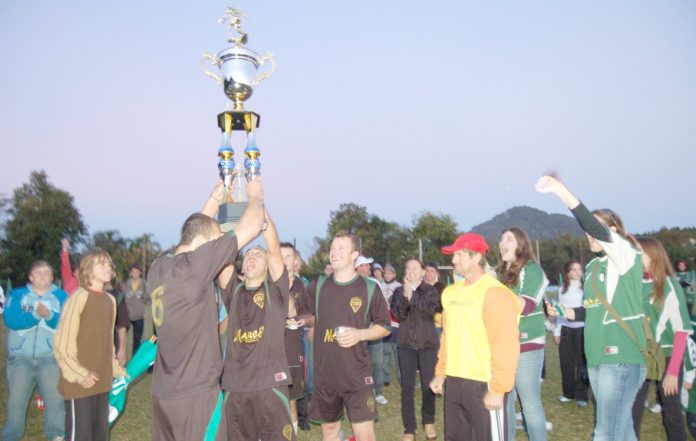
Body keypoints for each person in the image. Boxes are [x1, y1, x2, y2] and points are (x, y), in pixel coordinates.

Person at [146, 179, 265, 441]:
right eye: (215, 241)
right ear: (203, 245)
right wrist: (255, 195)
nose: (218, 245)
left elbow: (192, 233)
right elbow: (253, 225)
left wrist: (214, 200)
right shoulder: (195, 267)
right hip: (196, 394)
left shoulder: (159, 266)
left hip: (164, 392)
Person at [537, 174, 648, 441]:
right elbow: (592, 309)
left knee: (605, 431)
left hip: (620, 356)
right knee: (621, 429)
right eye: (589, 229)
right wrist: (563, 312)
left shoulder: (624, 255)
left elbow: (592, 225)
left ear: (614, 231)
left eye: (596, 227)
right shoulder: (593, 265)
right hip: (597, 356)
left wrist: (560, 190)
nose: (590, 233)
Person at [429, 233, 521, 441]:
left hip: (485, 383)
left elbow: (505, 345)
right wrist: (441, 373)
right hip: (454, 381)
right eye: (453, 255)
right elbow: (447, 337)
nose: (453, 260)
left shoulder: (495, 293)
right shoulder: (450, 293)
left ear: (477, 257)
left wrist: (498, 389)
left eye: (460, 255)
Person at [217, 210, 296, 441]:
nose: (251, 256)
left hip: (269, 385)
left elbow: (273, 247)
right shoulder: (233, 292)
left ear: (268, 266)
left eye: (258, 254)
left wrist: (259, 204)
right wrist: (226, 209)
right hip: (235, 387)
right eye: (248, 254)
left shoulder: (276, 291)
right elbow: (222, 255)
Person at [306, 231, 391, 441]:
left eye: (341, 248)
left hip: (357, 374)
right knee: (330, 432)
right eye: (332, 248)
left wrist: (360, 334)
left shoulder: (369, 287)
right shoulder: (318, 285)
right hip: (325, 375)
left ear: (354, 255)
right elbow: (300, 314)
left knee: (364, 435)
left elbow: (385, 326)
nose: (334, 252)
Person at [54, 251, 127, 441]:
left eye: (109, 264)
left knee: (100, 434)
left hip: (101, 381)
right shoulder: (79, 297)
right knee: (81, 435)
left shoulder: (111, 300)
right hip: (80, 382)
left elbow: (108, 342)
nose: (107, 267)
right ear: (87, 269)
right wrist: (79, 374)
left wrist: (116, 370)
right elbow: (63, 343)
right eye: (101, 264)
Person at [631, 237, 691, 440]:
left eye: (640, 252)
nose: (636, 256)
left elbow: (681, 331)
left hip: (667, 357)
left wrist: (673, 372)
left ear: (653, 255)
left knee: (672, 413)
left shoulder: (670, 285)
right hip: (639, 356)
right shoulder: (634, 283)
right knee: (632, 411)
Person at [2, 260, 68, 441]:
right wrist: (35, 315)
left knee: (55, 399)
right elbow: (10, 319)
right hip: (19, 358)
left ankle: (56, 434)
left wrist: (50, 316)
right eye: (38, 273)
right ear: (31, 277)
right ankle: (11, 435)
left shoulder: (61, 296)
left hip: (50, 357)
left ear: (52, 277)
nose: (43, 276)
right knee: (16, 401)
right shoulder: (18, 294)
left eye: (47, 273)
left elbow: (67, 323)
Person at [497, 227, 549, 441]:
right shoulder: (499, 272)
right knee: (505, 402)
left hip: (527, 344)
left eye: (509, 239)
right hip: (502, 346)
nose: (503, 243)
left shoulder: (532, 269)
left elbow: (525, 306)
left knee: (529, 404)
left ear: (521, 244)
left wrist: (494, 288)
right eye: (501, 239)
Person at [390, 258, 440, 441]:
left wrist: (413, 297)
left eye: (415, 268)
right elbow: (398, 314)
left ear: (422, 272)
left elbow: (429, 312)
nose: (411, 271)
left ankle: (429, 420)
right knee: (407, 387)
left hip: (427, 345)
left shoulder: (430, 291)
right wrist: (405, 295)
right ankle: (409, 428)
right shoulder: (398, 291)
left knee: (428, 385)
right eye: (408, 268)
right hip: (406, 345)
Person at [553, 261, 588, 407]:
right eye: (574, 269)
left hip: (582, 330)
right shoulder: (562, 290)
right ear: (567, 273)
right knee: (566, 363)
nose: (578, 272)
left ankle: (582, 396)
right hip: (566, 331)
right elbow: (559, 312)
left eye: (579, 269)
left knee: (582, 364)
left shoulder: (586, 288)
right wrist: (557, 331)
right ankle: (568, 393)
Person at [355, 255, 388, 405]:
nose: (369, 267)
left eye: (369, 265)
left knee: (377, 362)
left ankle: (378, 391)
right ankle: (361, 391)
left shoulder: (374, 283)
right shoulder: (351, 284)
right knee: (358, 363)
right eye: (366, 265)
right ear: (358, 267)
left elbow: (382, 305)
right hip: (356, 333)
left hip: (374, 330)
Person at [382, 263, 402, 387]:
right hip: (385, 323)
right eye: (385, 273)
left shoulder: (399, 286)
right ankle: (386, 378)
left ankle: (401, 377)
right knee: (385, 353)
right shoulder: (380, 285)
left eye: (389, 273)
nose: (387, 275)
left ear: (394, 274)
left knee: (399, 355)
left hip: (397, 324)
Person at [123, 266, 148, 356]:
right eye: (133, 272)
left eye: (137, 272)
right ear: (130, 273)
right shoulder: (126, 283)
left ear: (140, 273)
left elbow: (148, 298)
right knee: (121, 338)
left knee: (137, 339)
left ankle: (135, 359)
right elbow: (122, 296)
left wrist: (142, 297)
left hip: (139, 315)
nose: (135, 274)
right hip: (127, 315)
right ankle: (119, 357)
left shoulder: (144, 284)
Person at [424, 262, 446, 341]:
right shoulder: (419, 287)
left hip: (437, 325)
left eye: (432, 271)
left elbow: (444, 306)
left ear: (436, 273)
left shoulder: (442, 287)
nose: (429, 273)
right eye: (427, 271)